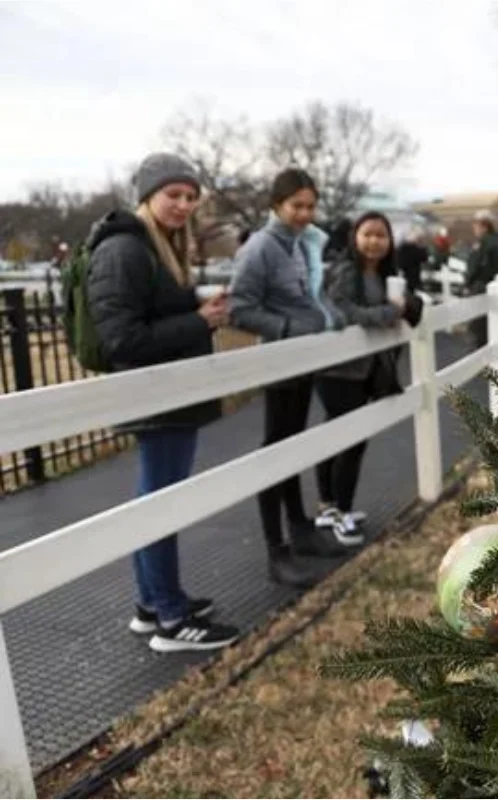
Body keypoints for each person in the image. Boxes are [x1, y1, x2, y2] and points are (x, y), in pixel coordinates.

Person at [86, 153, 240, 652]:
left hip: (170, 396)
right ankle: (172, 622)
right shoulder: (125, 251)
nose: (183, 204)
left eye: (191, 197)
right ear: (148, 195)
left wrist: (197, 311)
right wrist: (200, 322)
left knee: (155, 501)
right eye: (174, 194)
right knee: (161, 506)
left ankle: (154, 603)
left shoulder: (156, 247)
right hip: (157, 398)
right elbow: (122, 340)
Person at [228, 168, 350, 590]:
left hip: (303, 363)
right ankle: (276, 549)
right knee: (275, 449)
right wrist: (290, 329)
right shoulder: (260, 248)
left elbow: (308, 299)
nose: (304, 213)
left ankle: (300, 528)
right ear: (276, 205)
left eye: (310, 205)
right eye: (297, 205)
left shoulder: (298, 246)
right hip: (278, 363)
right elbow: (239, 309)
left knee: (296, 444)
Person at [314, 212, 424, 535]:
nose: (374, 241)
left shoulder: (386, 273)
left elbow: (404, 302)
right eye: (367, 234)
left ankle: (329, 506)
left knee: (340, 437)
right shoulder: (347, 270)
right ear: (355, 237)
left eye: (381, 235)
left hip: (364, 369)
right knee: (349, 441)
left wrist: (407, 304)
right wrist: (390, 312)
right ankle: (339, 511)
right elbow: (344, 312)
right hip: (338, 371)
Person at [463, 209, 498, 346]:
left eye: (475, 225)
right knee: (495, 327)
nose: (474, 228)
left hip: (481, 288)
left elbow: (474, 267)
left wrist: (467, 283)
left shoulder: (483, 243)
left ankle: (481, 361)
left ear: (483, 225)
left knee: (478, 330)